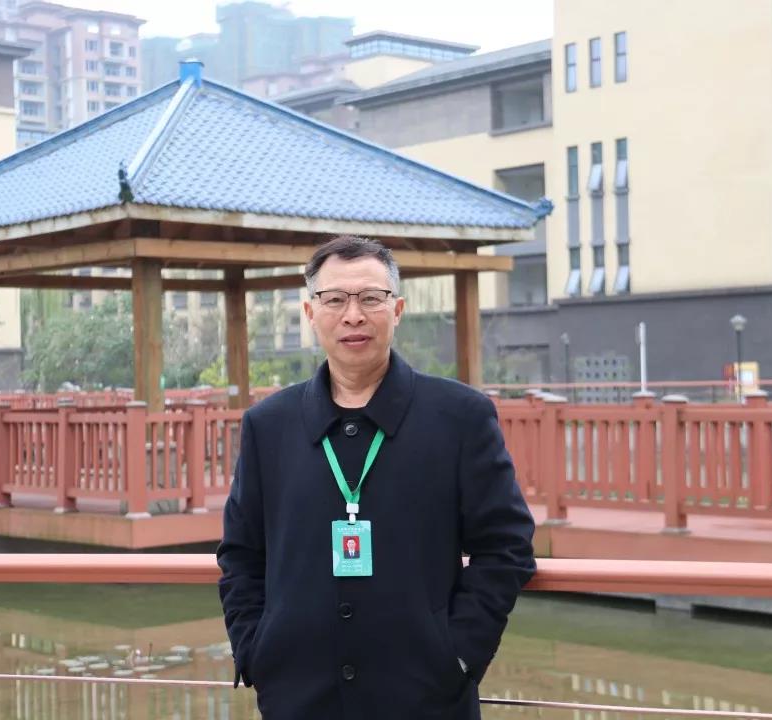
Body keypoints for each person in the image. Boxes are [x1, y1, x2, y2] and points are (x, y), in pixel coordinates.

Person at [217, 235, 536, 719]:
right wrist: (255, 649)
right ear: (310, 313)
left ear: (397, 309)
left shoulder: (460, 417)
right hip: (297, 698)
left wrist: (459, 654)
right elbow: (241, 554)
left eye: (371, 298)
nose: (353, 315)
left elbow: (507, 544)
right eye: (334, 300)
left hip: (426, 699)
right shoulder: (269, 425)